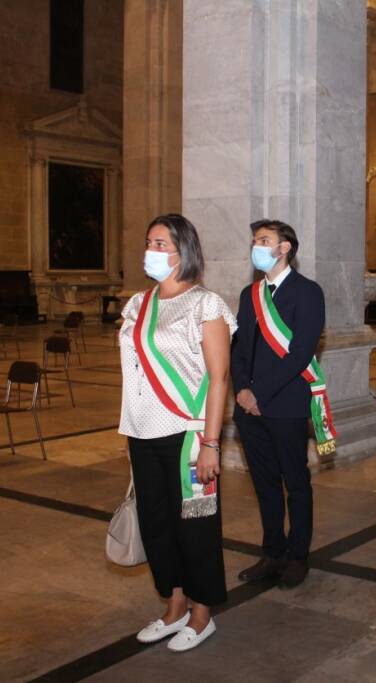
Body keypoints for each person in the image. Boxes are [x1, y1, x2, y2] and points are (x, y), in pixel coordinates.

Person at [119, 214, 235, 652]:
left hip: (187, 435)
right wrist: (131, 427)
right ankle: (175, 604)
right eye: (149, 241)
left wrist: (210, 443)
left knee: (196, 527)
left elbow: (219, 378)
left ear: (184, 250)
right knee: (156, 524)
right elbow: (132, 368)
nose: (152, 249)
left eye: (162, 243)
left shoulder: (207, 304)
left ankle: (202, 613)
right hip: (142, 430)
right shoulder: (137, 304)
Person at [232, 219, 331, 590]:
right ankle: (272, 552)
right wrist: (242, 389)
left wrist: (261, 393)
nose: (256, 245)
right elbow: (239, 348)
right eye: (255, 239)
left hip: (286, 405)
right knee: (264, 484)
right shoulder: (249, 294)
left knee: (296, 483)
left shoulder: (307, 293)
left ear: (285, 247)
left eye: (264, 240)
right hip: (248, 408)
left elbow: (301, 352)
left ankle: (298, 556)